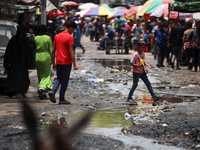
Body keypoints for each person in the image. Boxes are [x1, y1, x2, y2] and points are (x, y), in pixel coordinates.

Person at [49, 21, 78, 104]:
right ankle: (61, 99)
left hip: (58, 61)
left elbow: (53, 50)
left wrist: (53, 62)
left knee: (59, 78)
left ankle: (53, 91)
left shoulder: (57, 36)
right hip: (66, 62)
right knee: (64, 81)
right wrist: (75, 64)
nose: (73, 32)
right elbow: (71, 51)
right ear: (71, 28)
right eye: (73, 30)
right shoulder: (69, 37)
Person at [127, 40, 159, 105]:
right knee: (135, 85)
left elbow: (143, 61)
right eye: (142, 47)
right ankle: (129, 97)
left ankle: (154, 96)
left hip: (142, 72)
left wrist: (147, 65)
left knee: (148, 84)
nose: (143, 49)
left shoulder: (143, 53)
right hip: (136, 72)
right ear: (138, 47)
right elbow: (131, 63)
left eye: (143, 47)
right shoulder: (135, 55)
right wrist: (137, 65)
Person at [4, 25, 32, 98]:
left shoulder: (13, 40)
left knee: (14, 78)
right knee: (23, 78)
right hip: (23, 64)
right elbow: (29, 54)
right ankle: (21, 92)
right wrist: (29, 64)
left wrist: (6, 64)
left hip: (14, 64)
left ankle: (14, 92)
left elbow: (8, 53)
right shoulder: (26, 41)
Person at [34, 25, 53, 99]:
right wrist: (52, 60)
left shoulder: (36, 38)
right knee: (46, 75)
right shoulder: (48, 38)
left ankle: (43, 92)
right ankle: (42, 88)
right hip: (46, 56)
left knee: (40, 74)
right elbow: (51, 50)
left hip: (38, 56)